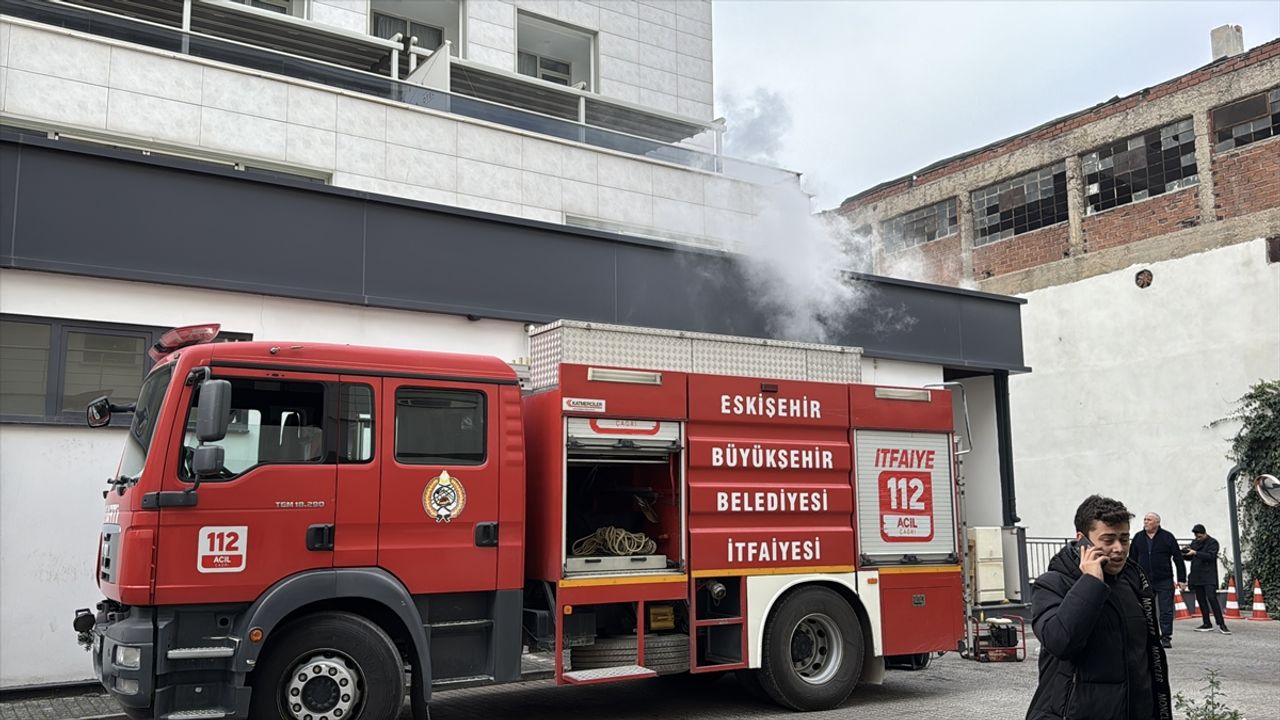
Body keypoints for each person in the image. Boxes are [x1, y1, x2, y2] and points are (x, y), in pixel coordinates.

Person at [1026, 495, 1172, 720]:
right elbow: (1060, 642)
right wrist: (1091, 582)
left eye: (1124, 539)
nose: (1118, 549)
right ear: (1082, 540)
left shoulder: (1134, 582)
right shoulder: (1052, 584)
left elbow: (1148, 658)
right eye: (1108, 539)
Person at [1131, 512, 1186, 648]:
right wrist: (1131, 578)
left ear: (1157, 523)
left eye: (1149, 520)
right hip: (1144, 580)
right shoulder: (1138, 537)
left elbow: (1178, 558)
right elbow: (1132, 559)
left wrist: (1182, 579)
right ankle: (1148, 636)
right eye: (1145, 519)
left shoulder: (1167, 537)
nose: (1145, 522)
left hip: (1164, 579)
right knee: (1146, 609)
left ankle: (1166, 637)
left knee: (1166, 610)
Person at [1183, 523, 1231, 635]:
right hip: (1197, 576)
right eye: (1196, 537)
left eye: (1200, 536)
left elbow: (1211, 556)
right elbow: (1190, 557)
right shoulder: (1195, 543)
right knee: (1201, 600)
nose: (1198, 538)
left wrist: (1196, 552)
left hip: (1209, 576)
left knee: (1212, 598)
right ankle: (1206, 623)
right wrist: (1184, 554)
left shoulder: (1213, 542)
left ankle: (1221, 624)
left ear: (1204, 533)